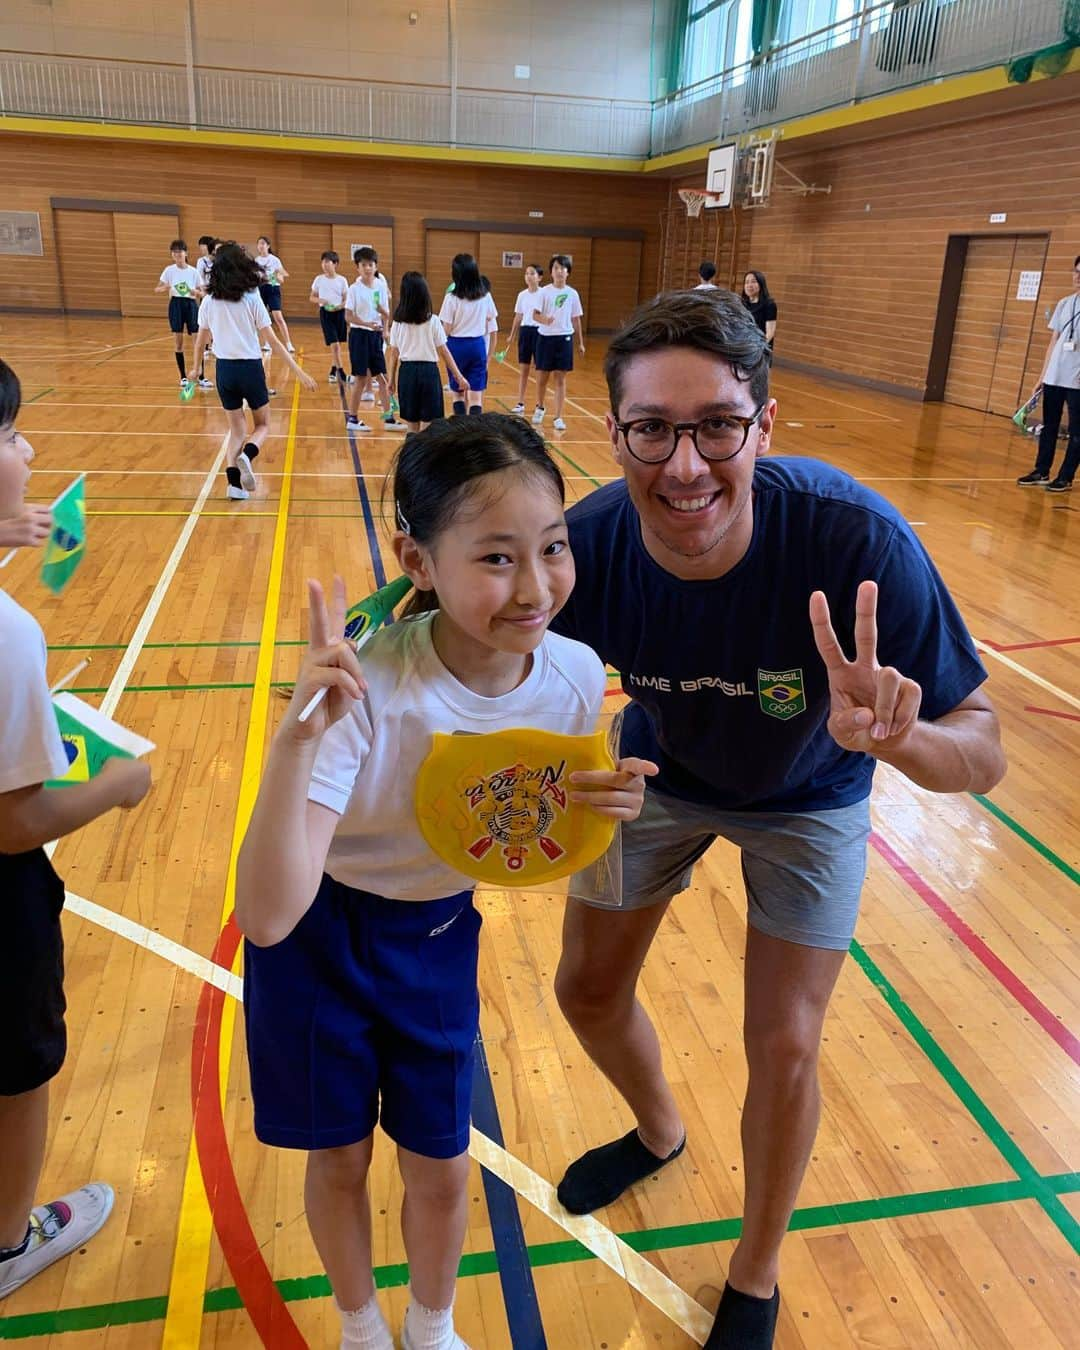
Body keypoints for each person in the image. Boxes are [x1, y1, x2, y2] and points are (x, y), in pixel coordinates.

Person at [548, 290, 1006, 1350]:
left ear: (764, 423)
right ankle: (660, 1132)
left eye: (717, 425)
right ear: (614, 432)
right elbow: (489, 677)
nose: (685, 466)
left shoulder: (857, 542)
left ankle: (756, 1274)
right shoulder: (586, 548)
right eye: (652, 429)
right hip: (657, 775)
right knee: (583, 987)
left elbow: (979, 751)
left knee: (785, 1044)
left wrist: (902, 742)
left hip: (812, 798)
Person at [235, 414, 656, 1350]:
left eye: (552, 548)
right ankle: (359, 1326)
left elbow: (514, 827)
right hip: (318, 939)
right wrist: (296, 739)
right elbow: (267, 917)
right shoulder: (368, 686)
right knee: (338, 1159)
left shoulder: (577, 674)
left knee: (442, 1167)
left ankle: (429, 1327)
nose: (538, 585)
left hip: (434, 937)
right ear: (416, 559)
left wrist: (594, 811)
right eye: (497, 558)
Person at [0, 359, 153, 1302]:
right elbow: (17, 822)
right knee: (19, 1074)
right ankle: (11, 1242)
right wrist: (118, 787)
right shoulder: (12, 636)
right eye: (10, 436)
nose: (29, 448)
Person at [191, 243, 316, 501]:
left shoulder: (209, 302)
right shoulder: (251, 298)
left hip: (224, 371)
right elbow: (272, 339)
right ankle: (248, 454)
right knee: (263, 425)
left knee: (236, 430)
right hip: (250, 368)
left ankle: (234, 487)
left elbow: (200, 340)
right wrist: (298, 372)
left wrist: (194, 369)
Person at [1016, 254, 1080, 493]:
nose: (1078, 277)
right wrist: (1042, 376)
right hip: (1056, 375)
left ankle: (1066, 476)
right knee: (1049, 425)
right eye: (1076, 272)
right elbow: (1053, 341)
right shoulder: (1065, 303)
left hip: (1077, 380)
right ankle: (1041, 470)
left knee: (1076, 431)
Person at [385, 271, 470, 432]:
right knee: (429, 426)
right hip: (429, 373)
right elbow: (444, 351)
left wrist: (391, 380)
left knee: (412, 426)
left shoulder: (398, 323)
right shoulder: (433, 321)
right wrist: (459, 376)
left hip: (407, 374)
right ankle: (424, 456)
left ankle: (410, 456)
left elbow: (394, 354)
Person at [345, 248, 405, 434]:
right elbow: (348, 316)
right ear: (358, 268)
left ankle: (389, 418)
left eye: (370, 264)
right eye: (363, 265)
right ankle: (352, 419)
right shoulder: (354, 289)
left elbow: (386, 313)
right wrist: (366, 324)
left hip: (375, 336)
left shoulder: (380, 286)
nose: (367, 268)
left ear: (376, 266)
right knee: (361, 378)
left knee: (382, 377)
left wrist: (385, 329)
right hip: (359, 336)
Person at [438, 255, 498, 416]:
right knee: (476, 396)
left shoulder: (451, 298)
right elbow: (490, 317)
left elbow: (446, 330)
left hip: (456, 347)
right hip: (478, 346)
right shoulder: (485, 296)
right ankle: (475, 435)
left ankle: (460, 431)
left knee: (458, 393)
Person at [532, 254, 585, 433]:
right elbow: (535, 315)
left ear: (567, 272)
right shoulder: (544, 292)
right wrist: (544, 320)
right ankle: (540, 407)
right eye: (556, 268)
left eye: (562, 268)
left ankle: (558, 416)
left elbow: (576, 319)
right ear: (551, 272)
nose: (559, 271)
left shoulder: (572, 294)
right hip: (545, 338)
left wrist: (581, 343)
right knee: (542, 378)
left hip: (564, 338)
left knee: (560, 379)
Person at [153, 239, 201, 392]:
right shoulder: (169, 270)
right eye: (174, 252)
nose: (177, 254)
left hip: (191, 304)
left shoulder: (193, 271)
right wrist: (165, 287)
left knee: (197, 342)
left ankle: (200, 375)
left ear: (185, 253)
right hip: (176, 304)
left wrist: (196, 292)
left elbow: (203, 292)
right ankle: (183, 376)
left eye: (180, 252)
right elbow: (157, 289)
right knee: (178, 343)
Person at [505, 262, 544, 414]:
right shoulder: (522, 295)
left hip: (540, 332)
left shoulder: (544, 294)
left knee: (540, 371)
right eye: (527, 273)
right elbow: (518, 316)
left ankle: (539, 404)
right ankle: (520, 402)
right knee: (524, 369)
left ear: (539, 277)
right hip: (525, 332)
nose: (528, 276)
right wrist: (512, 334)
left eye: (532, 273)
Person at [310, 250, 349, 384]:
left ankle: (333, 369)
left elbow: (346, 300)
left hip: (339, 313)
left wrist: (340, 306)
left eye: (327, 262)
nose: (324, 264)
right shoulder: (319, 280)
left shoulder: (342, 280)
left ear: (335, 264)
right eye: (323, 262)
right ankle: (341, 372)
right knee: (335, 344)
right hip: (326, 314)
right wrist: (321, 300)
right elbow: (312, 297)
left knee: (337, 345)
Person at [254, 236, 295, 353]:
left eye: (263, 243)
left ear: (268, 246)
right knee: (262, 317)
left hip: (273, 289)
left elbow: (282, 279)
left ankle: (288, 343)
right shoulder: (256, 261)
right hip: (261, 289)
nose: (261, 246)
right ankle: (266, 343)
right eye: (259, 244)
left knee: (278, 317)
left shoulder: (275, 260)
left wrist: (273, 277)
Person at [194, 236, 218, 388]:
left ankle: (213, 343)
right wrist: (205, 293)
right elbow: (200, 280)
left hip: (219, 295)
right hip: (208, 295)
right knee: (205, 325)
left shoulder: (218, 262)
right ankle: (208, 345)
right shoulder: (201, 262)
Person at [741, 270, 777, 348]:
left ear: (761, 284)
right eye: (746, 282)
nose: (749, 285)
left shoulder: (769, 304)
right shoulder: (742, 303)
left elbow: (770, 333)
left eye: (753, 281)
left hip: (759, 349)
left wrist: (757, 348)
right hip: (743, 348)